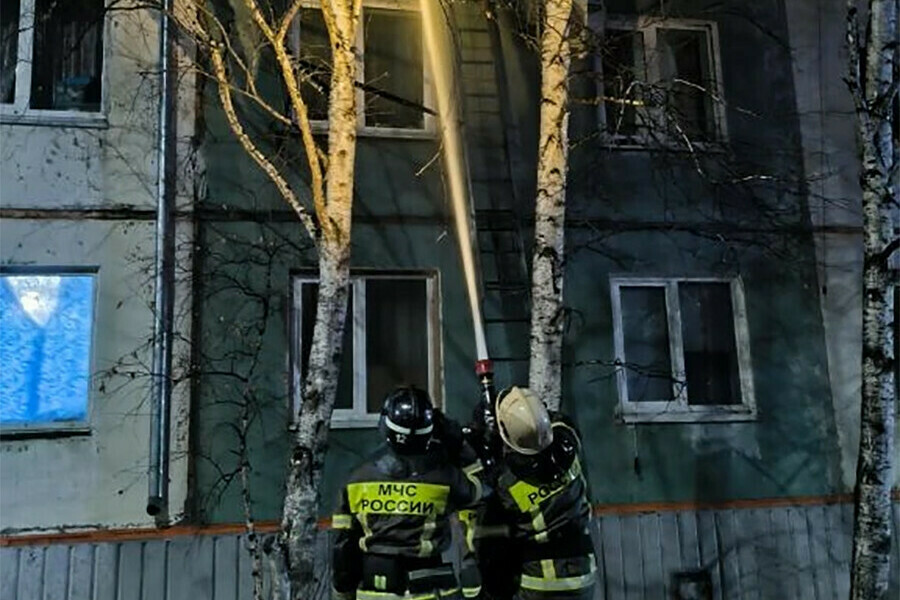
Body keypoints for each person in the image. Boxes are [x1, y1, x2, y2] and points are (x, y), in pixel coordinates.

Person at [331, 386, 485, 600]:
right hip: (429, 589)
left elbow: (343, 547)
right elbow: (480, 490)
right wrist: (459, 444)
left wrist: (342, 592)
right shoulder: (445, 477)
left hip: (374, 589)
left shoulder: (357, 479)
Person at [474, 386, 595, 600]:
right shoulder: (570, 444)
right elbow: (557, 423)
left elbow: (492, 550)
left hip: (538, 582)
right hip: (583, 575)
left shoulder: (506, 485)